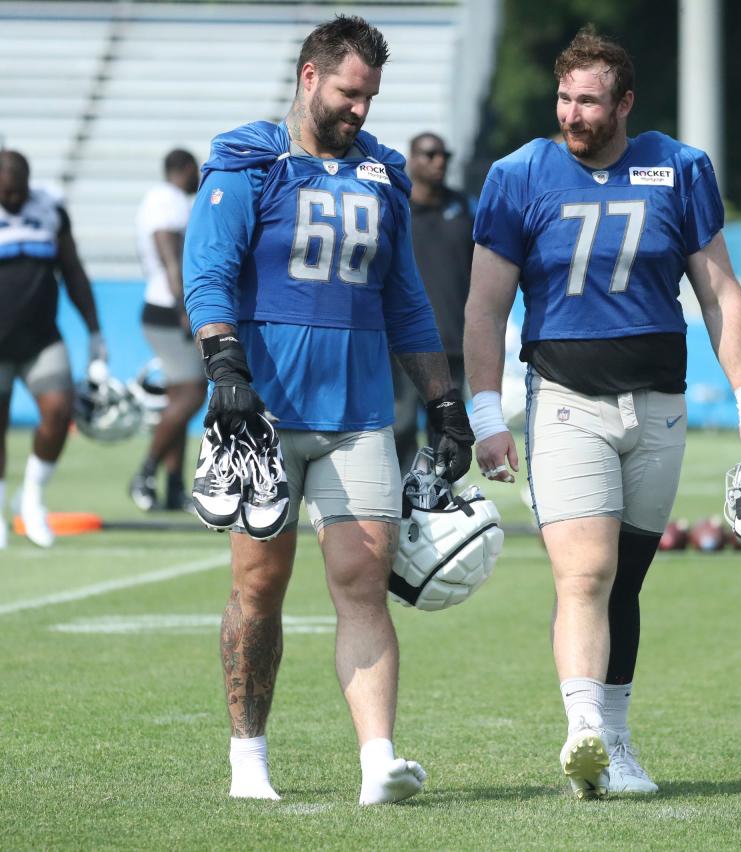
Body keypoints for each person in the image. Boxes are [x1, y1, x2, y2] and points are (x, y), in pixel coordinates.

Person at [463, 27, 741, 799]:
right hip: (567, 399)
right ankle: (584, 732)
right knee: (586, 573)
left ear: (625, 102)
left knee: (626, 580)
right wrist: (484, 411)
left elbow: (718, 292)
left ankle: (618, 742)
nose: (573, 114)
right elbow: (483, 305)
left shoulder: (679, 168)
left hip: (660, 404)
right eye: (565, 98)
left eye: (590, 101)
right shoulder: (518, 174)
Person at [183, 16, 474, 803]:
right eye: (350, 92)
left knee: (362, 578)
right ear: (310, 77)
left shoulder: (381, 173)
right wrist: (225, 368)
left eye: (371, 97)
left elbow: (405, 299)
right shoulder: (248, 159)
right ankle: (249, 759)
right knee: (259, 585)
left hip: (358, 410)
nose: (361, 111)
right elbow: (207, 272)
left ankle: (378, 760)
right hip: (265, 416)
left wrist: (445, 403)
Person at [0, 150, 107, 549]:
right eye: (6, 192)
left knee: (59, 412)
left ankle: (32, 498)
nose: (13, 199)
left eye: (19, 191)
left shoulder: (49, 209)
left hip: (40, 338)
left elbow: (73, 270)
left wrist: (94, 331)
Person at [391, 132, 474, 473]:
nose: (439, 161)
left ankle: (441, 511)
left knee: (447, 432)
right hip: (403, 347)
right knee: (400, 426)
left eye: (444, 154)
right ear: (412, 157)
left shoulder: (465, 208)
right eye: (430, 154)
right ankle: (400, 507)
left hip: (453, 342)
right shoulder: (396, 206)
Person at [129, 149, 206, 512]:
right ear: (186, 168)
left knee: (180, 399)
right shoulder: (168, 200)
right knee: (192, 395)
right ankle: (145, 472)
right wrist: (184, 307)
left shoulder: (163, 199)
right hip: (169, 309)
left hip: (166, 306)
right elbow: (170, 256)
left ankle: (174, 488)